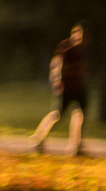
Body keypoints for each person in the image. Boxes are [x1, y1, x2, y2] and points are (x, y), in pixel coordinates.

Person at [31, 25, 91, 156]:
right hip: (67, 87)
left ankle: (77, 146)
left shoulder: (83, 50)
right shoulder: (66, 48)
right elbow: (59, 69)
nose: (83, 38)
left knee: (81, 115)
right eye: (81, 34)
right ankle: (39, 139)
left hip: (79, 87)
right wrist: (76, 70)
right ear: (75, 33)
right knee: (58, 115)